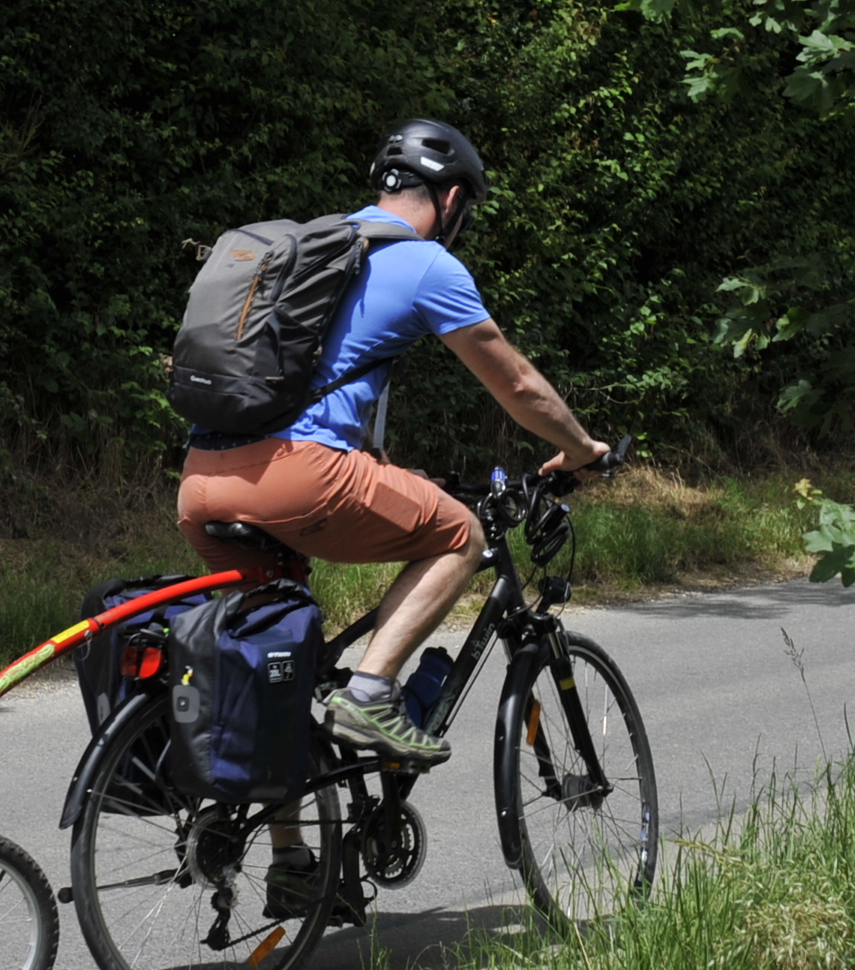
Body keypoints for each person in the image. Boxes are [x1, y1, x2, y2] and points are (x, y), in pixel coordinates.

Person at [178, 119, 611, 765]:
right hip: (296, 477)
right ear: (454, 199)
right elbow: (517, 383)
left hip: (201, 481)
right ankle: (371, 694)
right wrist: (579, 447)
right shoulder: (423, 261)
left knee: (279, 664)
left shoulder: (314, 247)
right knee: (461, 534)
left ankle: (293, 861)